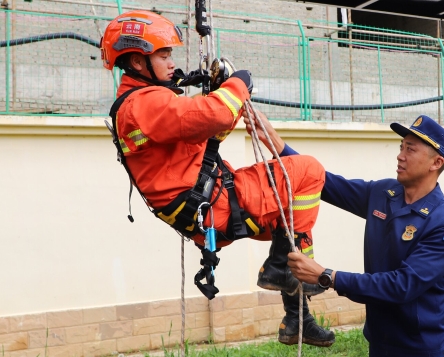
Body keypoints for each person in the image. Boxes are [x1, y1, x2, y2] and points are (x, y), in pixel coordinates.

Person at [100, 10, 334, 347]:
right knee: (308, 171)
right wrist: (238, 83)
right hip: (216, 206)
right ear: (137, 61)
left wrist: (224, 93)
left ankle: (297, 316)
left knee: (294, 222)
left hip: (210, 207)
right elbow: (217, 112)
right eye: (163, 54)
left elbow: (208, 131)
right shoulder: (143, 105)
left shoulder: (147, 105)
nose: (171, 62)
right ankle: (280, 270)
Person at [246, 111, 444, 356]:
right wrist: (273, 140)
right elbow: (325, 183)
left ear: (436, 163)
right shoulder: (384, 193)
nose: (400, 155)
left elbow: (402, 286)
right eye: (401, 146)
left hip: (424, 349)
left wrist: (326, 276)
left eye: (410, 150)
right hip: (380, 346)